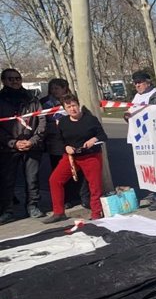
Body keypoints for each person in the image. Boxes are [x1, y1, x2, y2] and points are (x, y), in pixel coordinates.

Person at [43, 94, 107, 223]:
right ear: (65, 109)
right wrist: (66, 147)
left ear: (78, 105)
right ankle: (58, 212)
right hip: (71, 157)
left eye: (74, 105)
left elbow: (102, 135)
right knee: (55, 180)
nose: (72, 109)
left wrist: (93, 140)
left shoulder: (90, 119)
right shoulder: (63, 122)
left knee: (95, 185)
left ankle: (96, 213)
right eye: (69, 107)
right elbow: (60, 140)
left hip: (90, 155)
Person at [0, 68, 46, 223]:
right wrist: (13, 143)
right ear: (3, 81)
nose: (15, 81)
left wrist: (32, 141)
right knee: (7, 181)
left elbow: (42, 121)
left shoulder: (32, 99)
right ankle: (7, 210)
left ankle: (32, 205)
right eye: (10, 79)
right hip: (8, 148)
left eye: (17, 78)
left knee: (32, 179)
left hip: (31, 146)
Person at [41, 78, 90, 210]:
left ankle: (84, 197)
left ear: (65, 88)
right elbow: (41, 121)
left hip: (74, 140)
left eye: (57, 88)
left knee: (80, 170)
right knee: (60, 172)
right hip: (55, 142)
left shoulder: (73, 100)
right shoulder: (45, 103)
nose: (54, 91)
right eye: (52, 88)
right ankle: (66, 199)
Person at [125, 70, 156, 210]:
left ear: (148, 82)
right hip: (142, 140)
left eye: (140, 82)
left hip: (155, 140)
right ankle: (152, 192)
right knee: (146, 168)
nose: (137, 85)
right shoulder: (137, 97)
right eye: (135, 83)